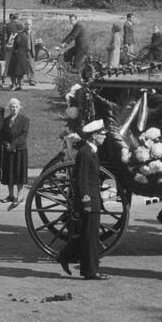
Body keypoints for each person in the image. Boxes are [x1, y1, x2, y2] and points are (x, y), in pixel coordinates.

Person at [59, 118, 108, 281]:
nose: (105, 136)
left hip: (93, 199)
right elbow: (81, 180)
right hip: (88, 202)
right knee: (90, 237)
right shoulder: (86, 153)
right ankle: (90, 271)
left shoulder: (90, 151)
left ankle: (65, 256)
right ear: (94, 136)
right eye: (102, 134)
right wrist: (86, 201)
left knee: (88, 235)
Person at [0, 97, 29, 209]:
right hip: (8, 150)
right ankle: (10, 195)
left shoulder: (25, 120)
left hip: (20, 150)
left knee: (19, 172)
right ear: (9, 108)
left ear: (19, 108)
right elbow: (2, 135)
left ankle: (19, 196)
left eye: (16, 107)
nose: (14, 109)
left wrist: (13, 145)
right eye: (12, 107)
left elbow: (23, 135)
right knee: (9, 172)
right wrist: (6, 145)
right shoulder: (5, 121)